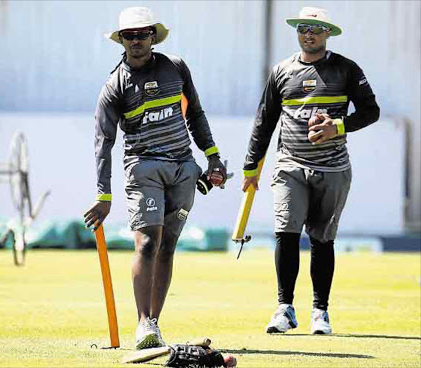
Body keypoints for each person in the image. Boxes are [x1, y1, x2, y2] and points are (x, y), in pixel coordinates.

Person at [84, 7, 227, 349]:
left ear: (153, 36)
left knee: (167, 247)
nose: (136, 41)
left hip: (183, 169)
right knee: (148, 242)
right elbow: (103, 143)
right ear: (121, 40)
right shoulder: (114, 85)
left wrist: (213, 157)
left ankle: (155, 324)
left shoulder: (175, 67)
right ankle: (142, 324)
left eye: (142, 34)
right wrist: (104, 196)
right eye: (128, 36)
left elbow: (195, 113)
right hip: (143, 168)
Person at [242, 7, 379, 335]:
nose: (309, 34)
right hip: (290, 165)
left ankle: (320, 311)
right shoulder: (282, 71)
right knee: (285, 232)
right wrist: (251, 165)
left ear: (327, 33)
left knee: (321, 239)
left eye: (317, 29)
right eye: (304, 28)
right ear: (298, 32)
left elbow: (371, 111)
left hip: (333, 169)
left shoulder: (345, 69)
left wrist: (338, 127)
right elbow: (265, 120)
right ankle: (284, 308)